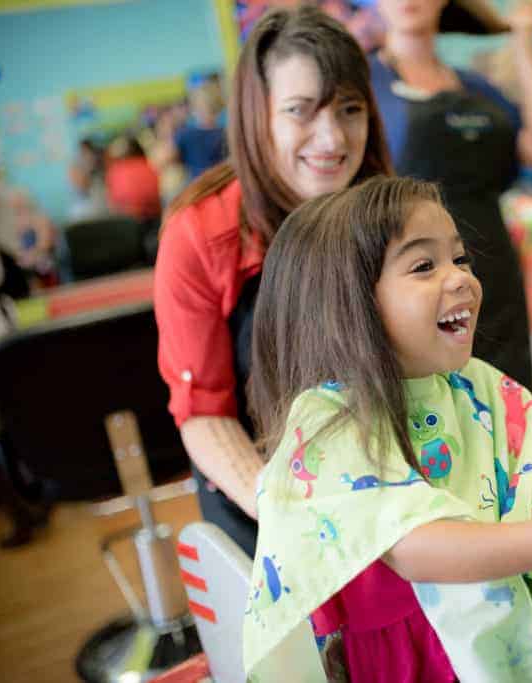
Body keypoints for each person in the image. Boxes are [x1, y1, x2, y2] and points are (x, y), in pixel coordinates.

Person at [243, 176, 532, 682]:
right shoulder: (330, 421)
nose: (460, 278)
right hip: (417, 661)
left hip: (515, 618)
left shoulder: (486, 389)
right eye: (424, 266)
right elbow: (417, 548)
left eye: (459, 259)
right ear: (344, 306)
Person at [153, 5, 391, 557]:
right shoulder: (200, 235)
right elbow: (205, 416)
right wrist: (291, 516)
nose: (331, 139)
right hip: (264, 505)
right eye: (300, 112)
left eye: (350, 110)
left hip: (387, 485)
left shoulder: (387, 212)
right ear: (258, 116)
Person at [369, 0, 532, 392]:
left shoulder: (475, 87)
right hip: (415, 283)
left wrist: (522, 41)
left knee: (511, 406)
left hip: (494, 271)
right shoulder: (363, 83)